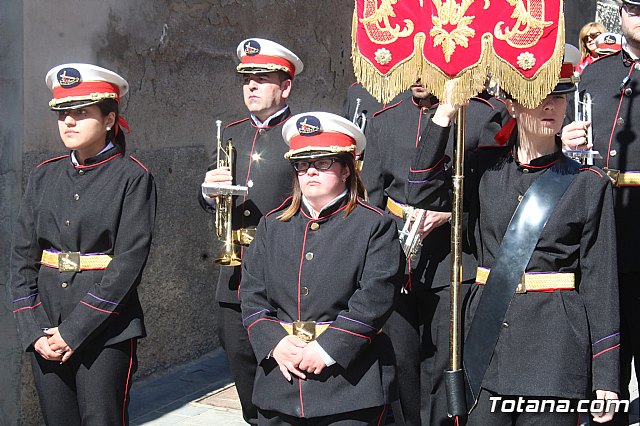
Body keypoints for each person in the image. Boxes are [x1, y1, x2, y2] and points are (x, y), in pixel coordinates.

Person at [408, 54, 620, 425]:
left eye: (558, 97)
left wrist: (606, 375)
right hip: (488, 344)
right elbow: (420, 192)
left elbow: (601, 282)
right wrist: (445, 113)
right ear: (511, 102)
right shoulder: (481, 169)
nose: (550, 107)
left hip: (554, 350)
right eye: (538, 97)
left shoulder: (588, 184)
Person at [9, 63, 156, 425]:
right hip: (45, 328)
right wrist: (33, 330)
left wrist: (72, 331)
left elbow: (127, 266)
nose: (69, 122)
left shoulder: (133, 178)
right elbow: (21, 259)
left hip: (105, 332)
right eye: (63, 114)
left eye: (81, 113)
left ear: (109, 120)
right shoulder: (43, 175)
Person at [240, 111, 404, 425]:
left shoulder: (374, 226)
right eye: (302, 164)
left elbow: (375, 299)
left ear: (347, 169)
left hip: (349, 386)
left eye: (323, 162)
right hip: (280, 381)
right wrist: (274, 343)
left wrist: (326, 350)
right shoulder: (272, 225)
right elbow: (251, 294)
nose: (310, 171)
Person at [360, 80, 506, 426]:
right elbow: (372, 201)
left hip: (454, 261)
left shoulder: (485, 116)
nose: (418, 77)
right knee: (403, 365)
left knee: (445, 366)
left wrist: (455, 216)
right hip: (396, 261)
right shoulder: (384, 119)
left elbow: (494, 195)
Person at [197, 38, 303, 425]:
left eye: (262, 79)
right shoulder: (231, 134)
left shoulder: (301, 134)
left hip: (284, 273)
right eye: (246, 80)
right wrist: (208, 192)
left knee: (284, 379)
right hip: (235, 275)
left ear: (286, 86)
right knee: (243, 372)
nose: (251, 87)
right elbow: (209, 197)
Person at [562, 3, 640, 423]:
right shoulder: (595, 74)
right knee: (602, 375)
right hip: (595, 236)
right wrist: (567, 141)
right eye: (633, 8)